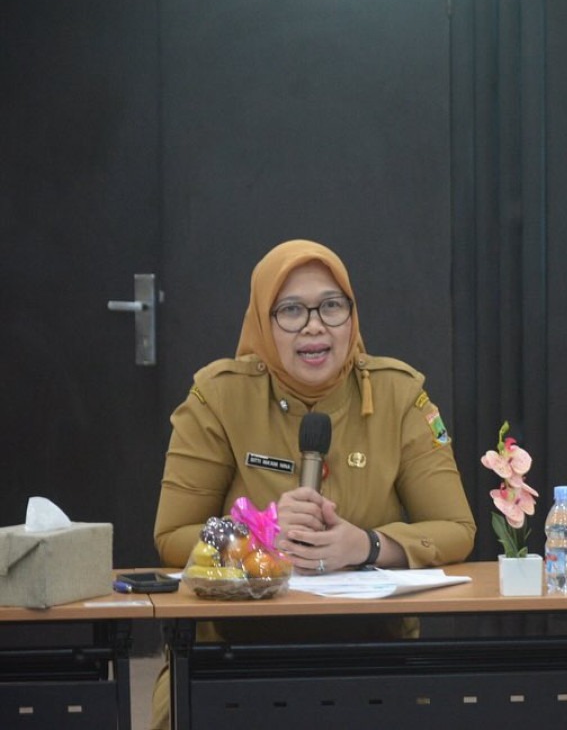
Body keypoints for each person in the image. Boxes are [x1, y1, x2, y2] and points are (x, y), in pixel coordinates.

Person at [149, 239, 476, 728]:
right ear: (263, 322)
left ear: (352, 315)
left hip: (372, 646)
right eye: (291, 310)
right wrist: (260, 538)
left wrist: (366, 546)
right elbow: (171, 536)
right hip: (234, 648)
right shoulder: (218, 398)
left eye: (331, 306)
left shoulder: (400, 394)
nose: (314, 325)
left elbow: (456, 528)